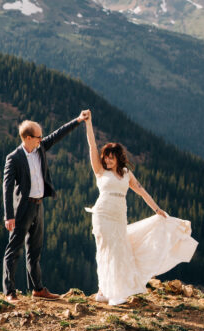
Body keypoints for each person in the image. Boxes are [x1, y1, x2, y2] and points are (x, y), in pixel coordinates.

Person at [83, 110, 198, 305]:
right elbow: (92, 145)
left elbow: (142, 191)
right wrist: (88, 123)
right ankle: (104, 290)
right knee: (104, 249)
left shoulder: (126, 174)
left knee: (119, 251)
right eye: (106, 157)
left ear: (119, 158)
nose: (108, 160)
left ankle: (112, 290)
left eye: (111, 157)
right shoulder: (100, 171)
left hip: (119, 215)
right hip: (102, 214)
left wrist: (157, 210)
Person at [2, 111, 88, 303]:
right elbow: (6, 188)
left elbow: (57, 135)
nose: (42, 139)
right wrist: (9, 216)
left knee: (35, 250)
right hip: (22, 209)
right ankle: (9, 292)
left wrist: (78, 120)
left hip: (39, 206)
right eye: (39, 136)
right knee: (14, 250)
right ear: (28, 138)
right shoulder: (14, 158)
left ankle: (37, 289)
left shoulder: (40, 148)